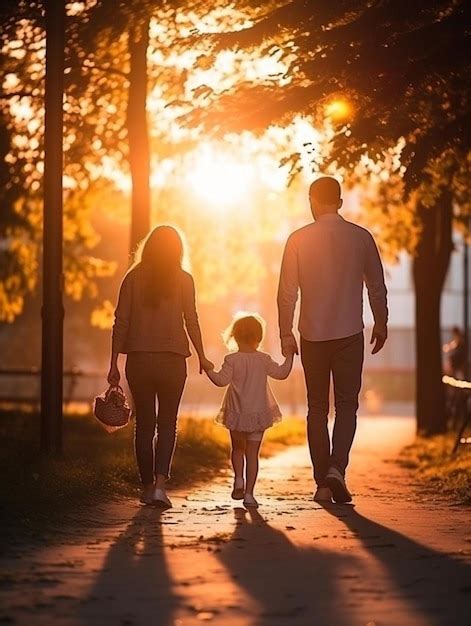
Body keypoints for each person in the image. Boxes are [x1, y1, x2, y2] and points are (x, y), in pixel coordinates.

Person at [277, 176, 388, 504]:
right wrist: (380, 322)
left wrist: (285, 332)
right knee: (346, 406)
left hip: (311, 335)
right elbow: (376, 286)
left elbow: (287, 293)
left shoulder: (297, 240)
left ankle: (322, 482)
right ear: (339, 202)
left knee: (316, 408)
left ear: (312, 200)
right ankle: (336, 468)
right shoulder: (361, 238)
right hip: (350, 334)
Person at [107, 225, 213, 508]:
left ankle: (145, 487)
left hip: (139, 361)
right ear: (178, 250)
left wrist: (113, 362)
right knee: (167, 425)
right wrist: (202, 355)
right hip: (172, 361)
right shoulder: (184, 279)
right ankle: (160, 487)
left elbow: (121, 322)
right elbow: (192, 320)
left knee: (143, 425)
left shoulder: (132, 278)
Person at [204, 313, 294, 508]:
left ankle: (238, 479)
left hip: (237, 413)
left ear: (234, 337)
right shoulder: (264, 360)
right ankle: (249, 495)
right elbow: (282, 373)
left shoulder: (231, 360)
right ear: (259, 338)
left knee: (237, 449)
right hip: (258, 415)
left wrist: (208, 368)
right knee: (252, 454)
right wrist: (289, 357)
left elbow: (220, 381)